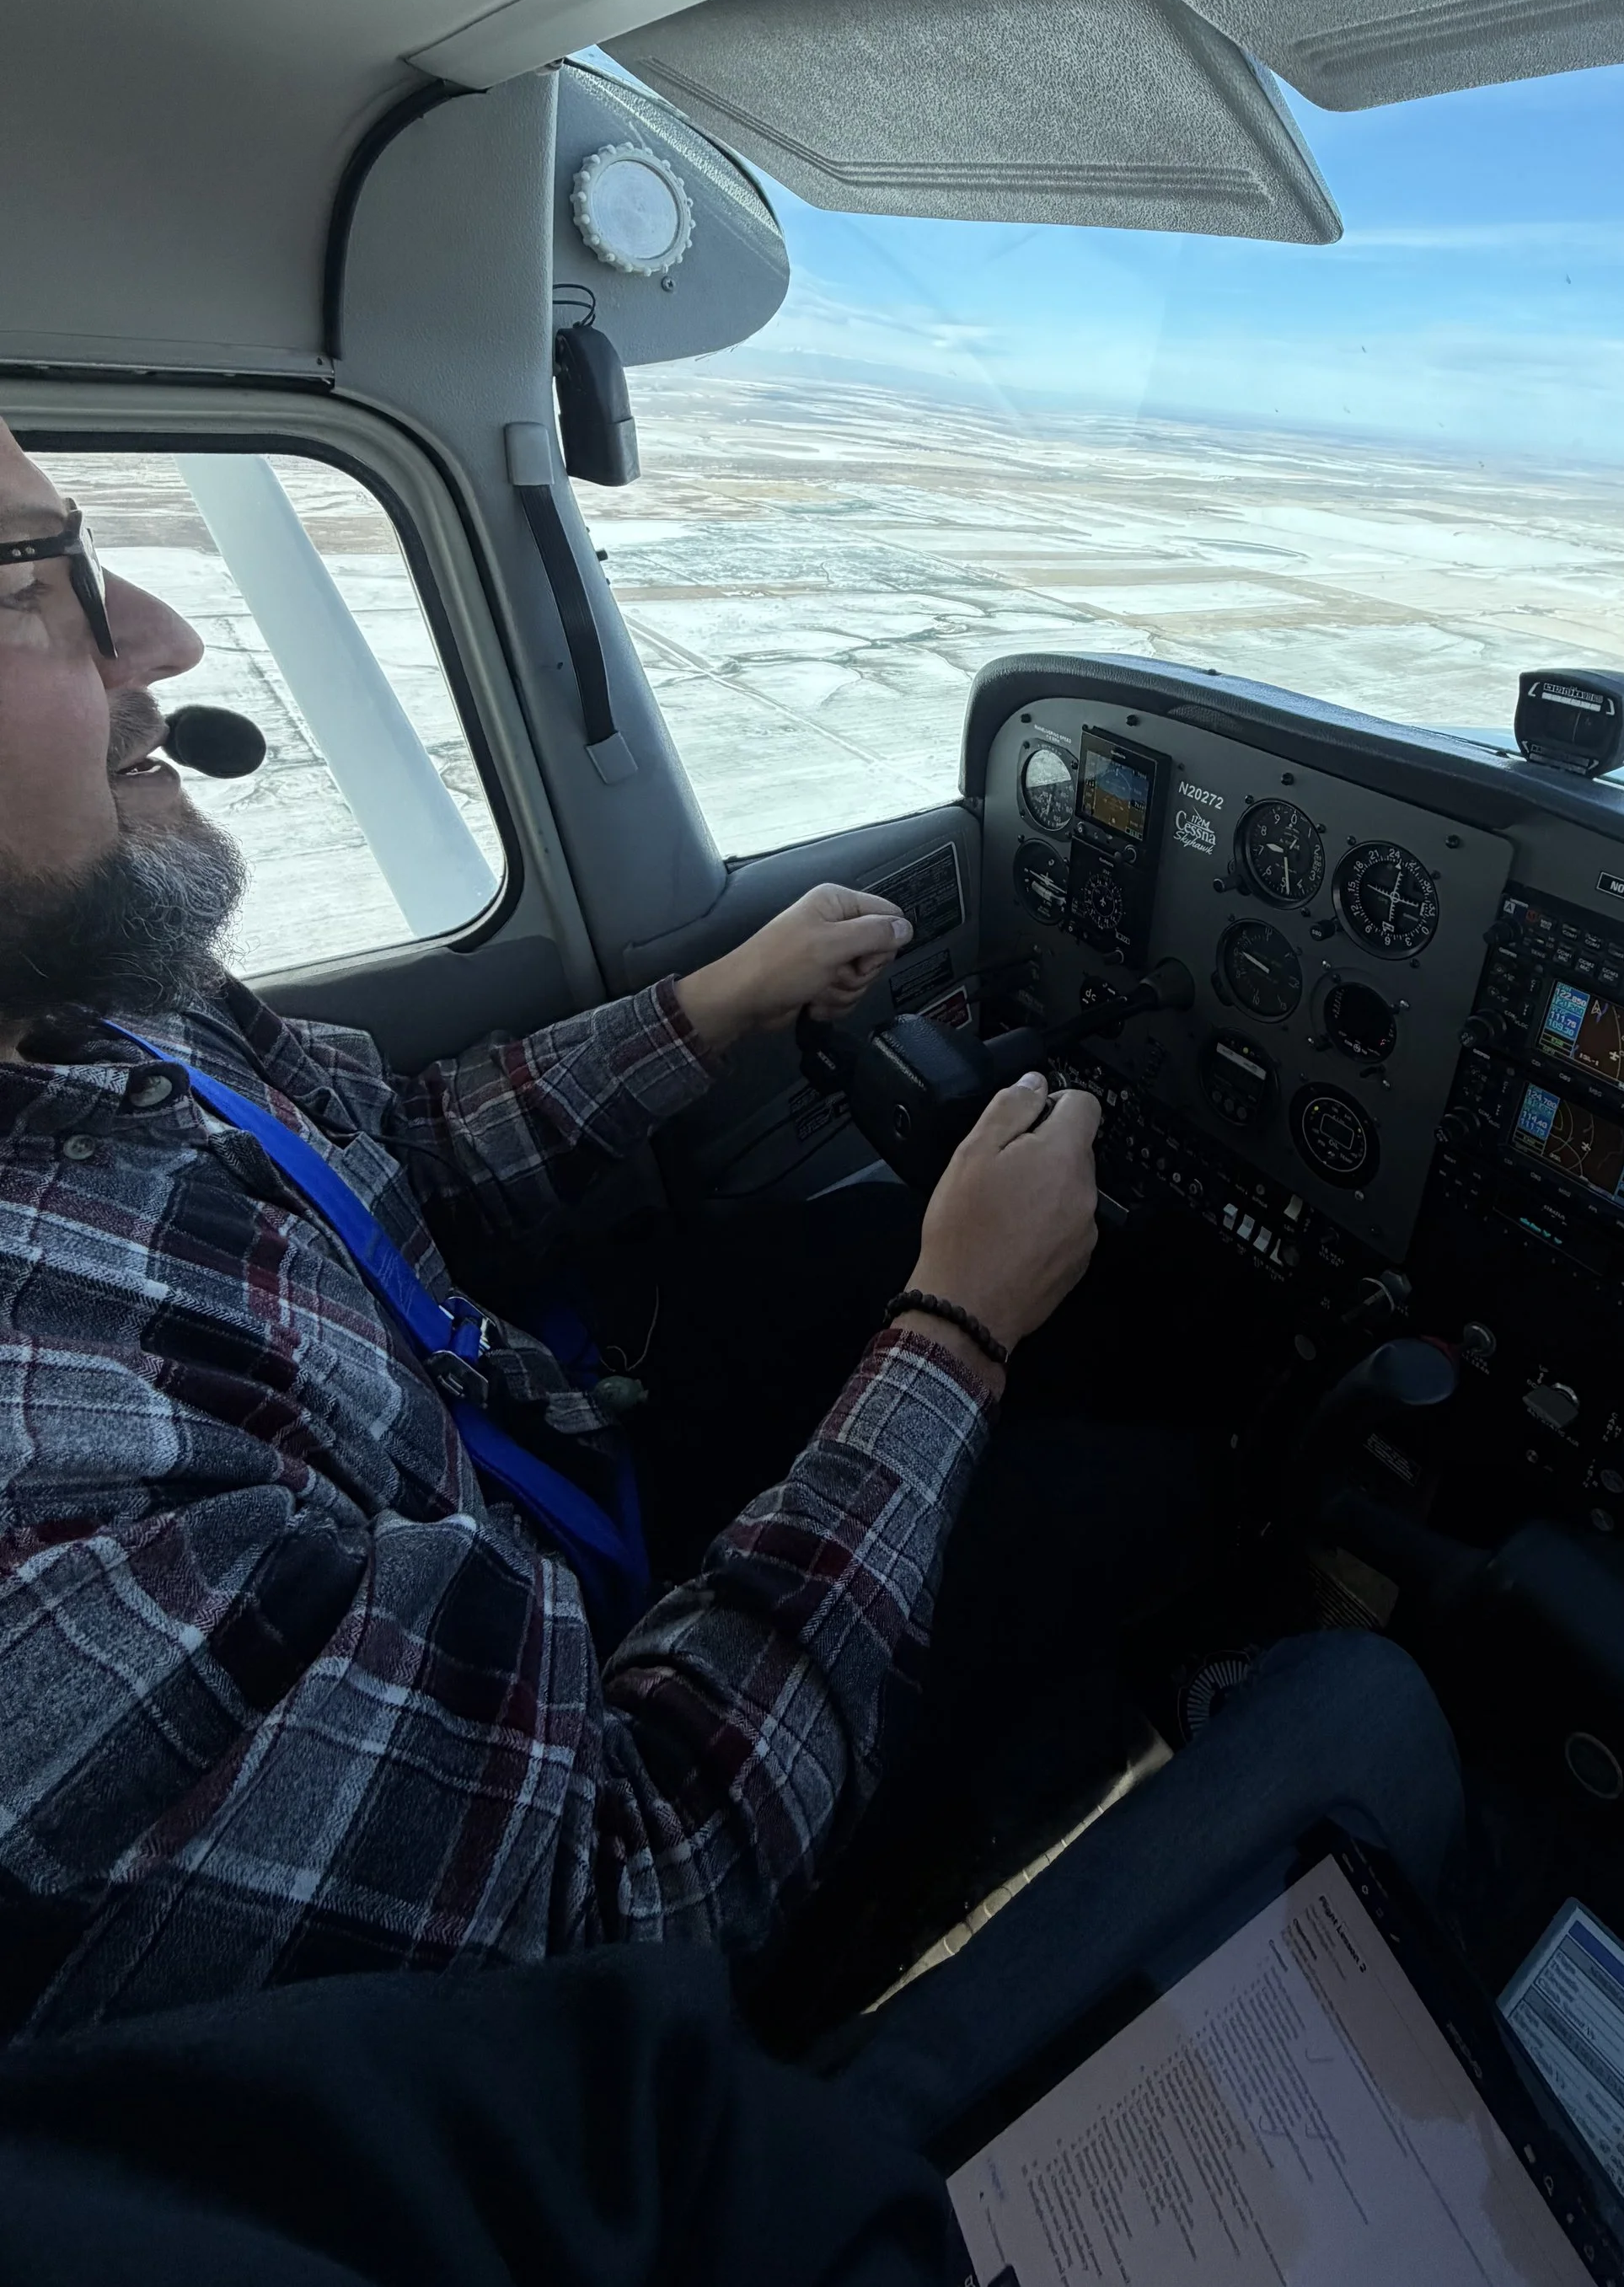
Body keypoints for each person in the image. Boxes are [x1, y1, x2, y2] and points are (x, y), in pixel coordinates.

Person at [0, 416, 1107, 2035]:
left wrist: (713, 1001)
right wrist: (957, 1334)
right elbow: (637, 1883)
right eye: (32, 586)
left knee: (882, 1259)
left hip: (540, 1461)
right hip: (615, 1758)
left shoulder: (80, 1011)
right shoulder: (49, 1521)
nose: (160, 636)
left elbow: (394, 1166)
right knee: (1137, 1499)